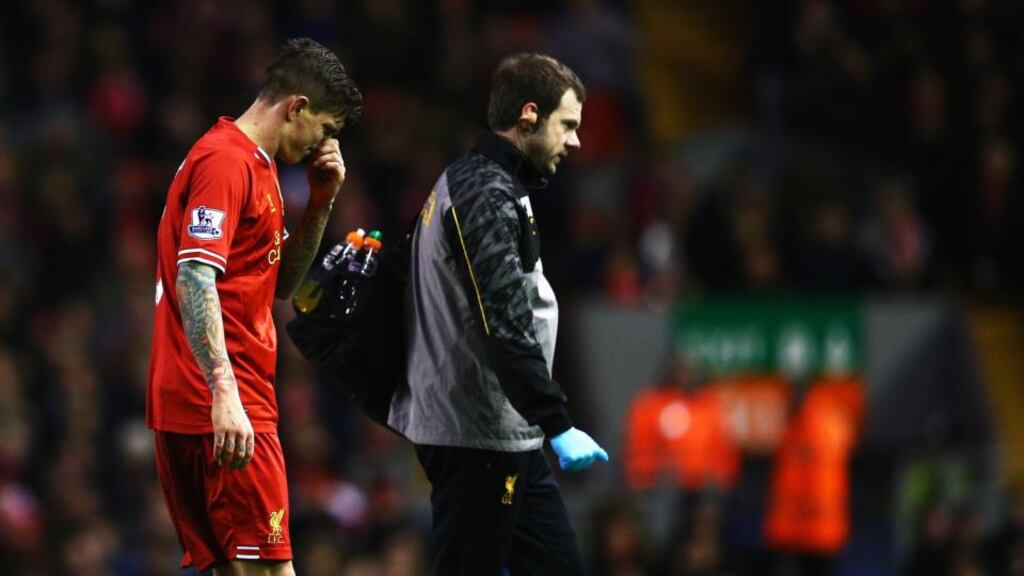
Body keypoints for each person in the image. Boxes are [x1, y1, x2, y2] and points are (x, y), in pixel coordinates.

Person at [146, 38, 362, 575]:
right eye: (327, 129)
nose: (324, 144)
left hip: (205, 403)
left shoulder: (257, 166)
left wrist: (321, 202)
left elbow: (280, 284)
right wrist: (224, 393)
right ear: (297, 108)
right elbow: (195, 274)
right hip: (225, 403)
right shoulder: (226, 161)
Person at [390, 52, 608, 575]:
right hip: (475, 436)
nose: (575, 142)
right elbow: (504, 321)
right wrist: (557, 421)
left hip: (506, 430)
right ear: (528, 115)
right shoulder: (484, 193)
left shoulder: (483, 183)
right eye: (568, 125)